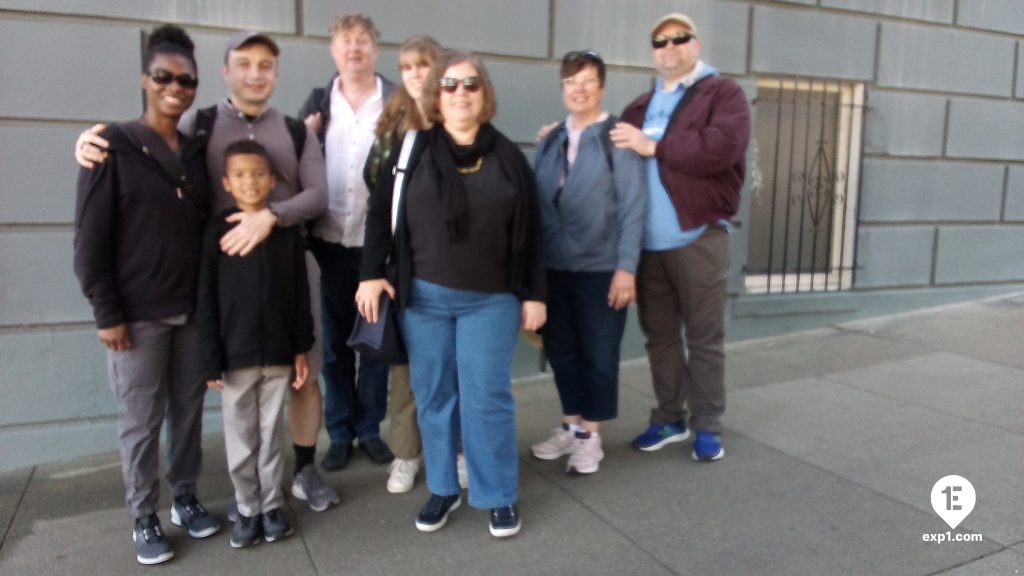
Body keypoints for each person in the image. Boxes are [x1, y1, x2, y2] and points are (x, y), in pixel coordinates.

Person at [74, 30, 340, 513]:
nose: (255, 74)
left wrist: (271, 217)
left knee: (302, 375)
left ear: (275, 73)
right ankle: (233, 495)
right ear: (226, 72)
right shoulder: (197, 124)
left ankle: (302, 469)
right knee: (226, 386)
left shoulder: (295, 130)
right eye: (244, 64)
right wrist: (91, 142)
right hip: (221, 275)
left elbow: (319, 196)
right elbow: (147, 140)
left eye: (265, 65)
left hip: (286, 269)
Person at [356, 50, 546, 538]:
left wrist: (534, 294)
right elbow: (379, 215)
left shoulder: (508, 158)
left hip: (492, 301)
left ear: (486, 95)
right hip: (423, 299)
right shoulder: (411, 149)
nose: (460, 93)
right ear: (437, 96)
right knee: (434, 396)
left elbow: (533, 233)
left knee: (486, 400)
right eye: (450, 85)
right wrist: (370, 273)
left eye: (471, 84)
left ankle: (498, 493)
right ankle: (443, 486)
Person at [73, 25, 219, 565]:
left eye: (186, 79)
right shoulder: (111, 144)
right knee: (141, 419)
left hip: (192, 312)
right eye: (164, 76)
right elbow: (89, 240)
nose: (175, 86)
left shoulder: (199, 149)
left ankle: (184, 497)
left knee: (188, 409)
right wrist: (105, 311)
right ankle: (144, 516)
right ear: (145, 79)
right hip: (135, 317)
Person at [610, 13, 751, 461]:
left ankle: (708, 425)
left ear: (697, 42)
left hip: (698, 238)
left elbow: (723, 146)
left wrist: (657, 147)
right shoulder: (638, 106)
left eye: (679, 38)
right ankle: (669, 417)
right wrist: (562, 136)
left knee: (705, 337)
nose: (669, 47)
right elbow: (609, 152)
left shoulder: (721, 93)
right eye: (659, 41)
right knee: (661, 338)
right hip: (648, 248)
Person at [529, 50, 645, 474]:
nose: (578, 88)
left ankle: (590, 436)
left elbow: (633, 208)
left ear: (601, 86)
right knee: (562, 352)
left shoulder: (618, 138)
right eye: (570, 81)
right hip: (554, 268)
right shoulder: (551, 138)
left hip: (601, 269)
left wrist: (626, 268)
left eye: (586, 80)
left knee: (598, 353)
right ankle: (571, 424)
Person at [198, 140, 312, 548]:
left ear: (273, 180)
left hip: (280, 353)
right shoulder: (216, 231)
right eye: (241, 175)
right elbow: (205, 300)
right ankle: (246, 508)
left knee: (270, 434)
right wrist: (209, 358)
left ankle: (270, 505)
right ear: (227, 183)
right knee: (241, 438)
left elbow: (300, 294)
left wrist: (301, 347)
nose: (251, 182)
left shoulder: (286, 233)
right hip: (235, 356)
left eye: (259, 173)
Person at [360, 35, 460, 494]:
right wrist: (371, 272)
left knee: (455, 372)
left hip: (456, 275)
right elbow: (379, 207)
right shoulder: (399, 132)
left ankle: (457, 450)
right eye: (407, 67)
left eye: (425, 65)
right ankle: (406, 454)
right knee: (408, 376)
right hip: (407, 275)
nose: (417, 74)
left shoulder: (461, 125)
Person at [298, 13, 397, 470]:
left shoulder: (396, 104)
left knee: (375, 345)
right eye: (345, 41)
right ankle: (338, 433)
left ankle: (370, 428)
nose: (354, 48)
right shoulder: (318, 104)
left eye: (362, 41)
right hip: (327, 245)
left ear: (375, 49)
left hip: (377, 249)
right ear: (333, 50)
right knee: (335, 346)